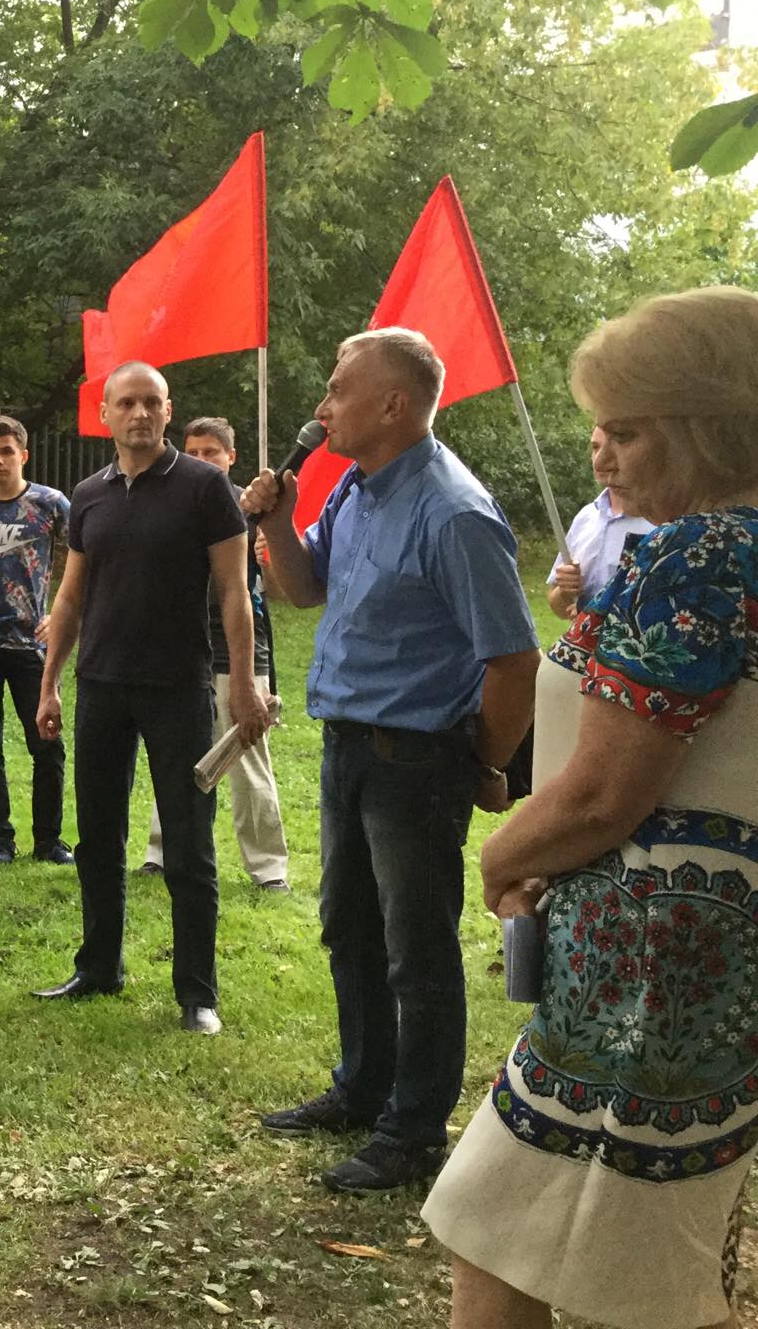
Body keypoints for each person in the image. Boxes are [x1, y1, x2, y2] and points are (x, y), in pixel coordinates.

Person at [421, 289, 758, 1329]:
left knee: (527, 1232)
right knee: (609, 1247)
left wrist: (501, 856)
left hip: (654, 967)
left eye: (627, 430)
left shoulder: (700, 555)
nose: (602, 455)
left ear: (707, 427)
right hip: (701, 961)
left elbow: (608, 791)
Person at [243, 327, 540, 1192]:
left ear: (393, 405)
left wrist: (488, 764)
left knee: (417, 950)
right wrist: (275, 520)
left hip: (418, 762)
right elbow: (304, 588)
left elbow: (514, 659)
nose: (322, 405)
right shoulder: (358, 488)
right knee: (351, 928)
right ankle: (363, 1089)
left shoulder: (454, 512)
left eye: (339, 389)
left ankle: (414, 1133)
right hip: (348, 749)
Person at [30, 364, 271, 1036]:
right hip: (102, 686)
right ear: (105, 414)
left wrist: (242, 684)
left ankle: (198, 993)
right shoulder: (89, 496)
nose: (139, 413)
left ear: (168, 412)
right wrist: (50, 684)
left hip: (179, 688)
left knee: (189, 846)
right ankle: (98, 968)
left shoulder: (205, 488)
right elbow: (71, 596)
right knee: (98, 837)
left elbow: (235, 593)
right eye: (127, 403)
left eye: (151, 403)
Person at [138, 415, 288, 890]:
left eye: (211, 453)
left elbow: (280, 589)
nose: (202, 461)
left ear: (231, 457)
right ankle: (161, 852)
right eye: (194, 452)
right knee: (173, 756)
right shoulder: (172, 503)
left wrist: (270, 553)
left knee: (248, 761)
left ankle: (268, 868)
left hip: (238, 653)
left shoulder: (254, 509)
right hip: (180, 651)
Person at [0, 413, 72, 865]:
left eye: (7, 451)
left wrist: (60, 615)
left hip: (31, 644)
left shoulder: (50, 504)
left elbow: (86, 558)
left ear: (23, 455)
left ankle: (48, 840)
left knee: (47, 743)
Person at [544, 424, 653, 619]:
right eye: (595, 447)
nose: (599, 459)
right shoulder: (586, 517)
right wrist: (565, 591)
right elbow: (558, 607)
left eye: (615, 447)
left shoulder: (658, 521)